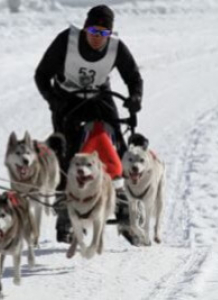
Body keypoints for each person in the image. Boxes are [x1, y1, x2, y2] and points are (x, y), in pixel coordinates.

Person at [34, 5, 143, 244]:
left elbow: (133, 78)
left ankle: (123, 201)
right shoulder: (66, 41)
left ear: (110, 35)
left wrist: (135, 99)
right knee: (66, 150)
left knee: (117, 145)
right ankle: (65, 209)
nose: (97, 37)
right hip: (66, 98)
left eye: (104, 33)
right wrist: (53, 101)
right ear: (85, 29)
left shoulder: (117, 48)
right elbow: (41, 74)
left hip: (98, 97)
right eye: (93, 30)